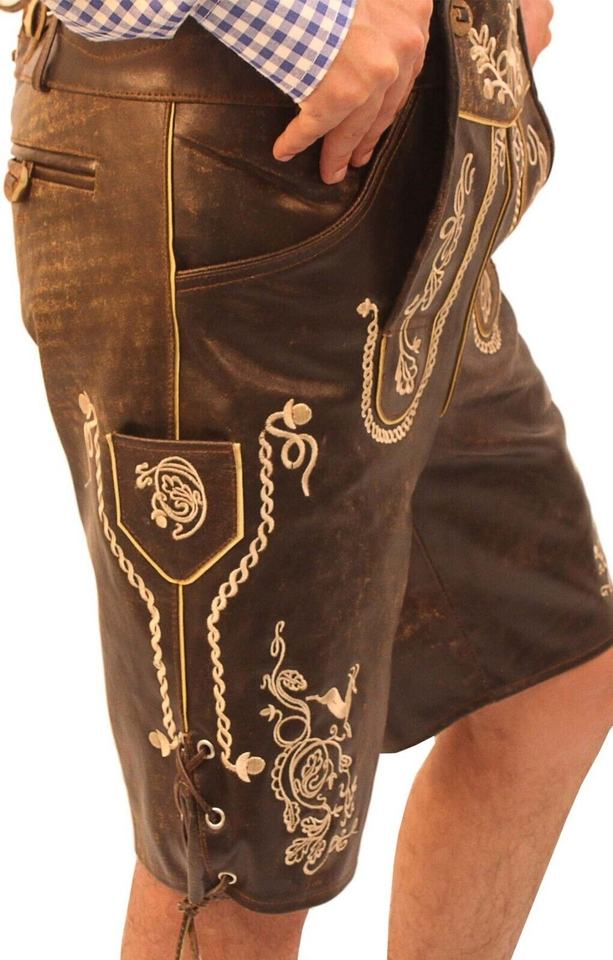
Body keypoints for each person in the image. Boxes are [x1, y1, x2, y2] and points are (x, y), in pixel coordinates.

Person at [2, 1, 611, 958]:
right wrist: (299, 19)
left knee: (550, 661)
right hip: (224, 154)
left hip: (425, 162)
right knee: (242, 850)